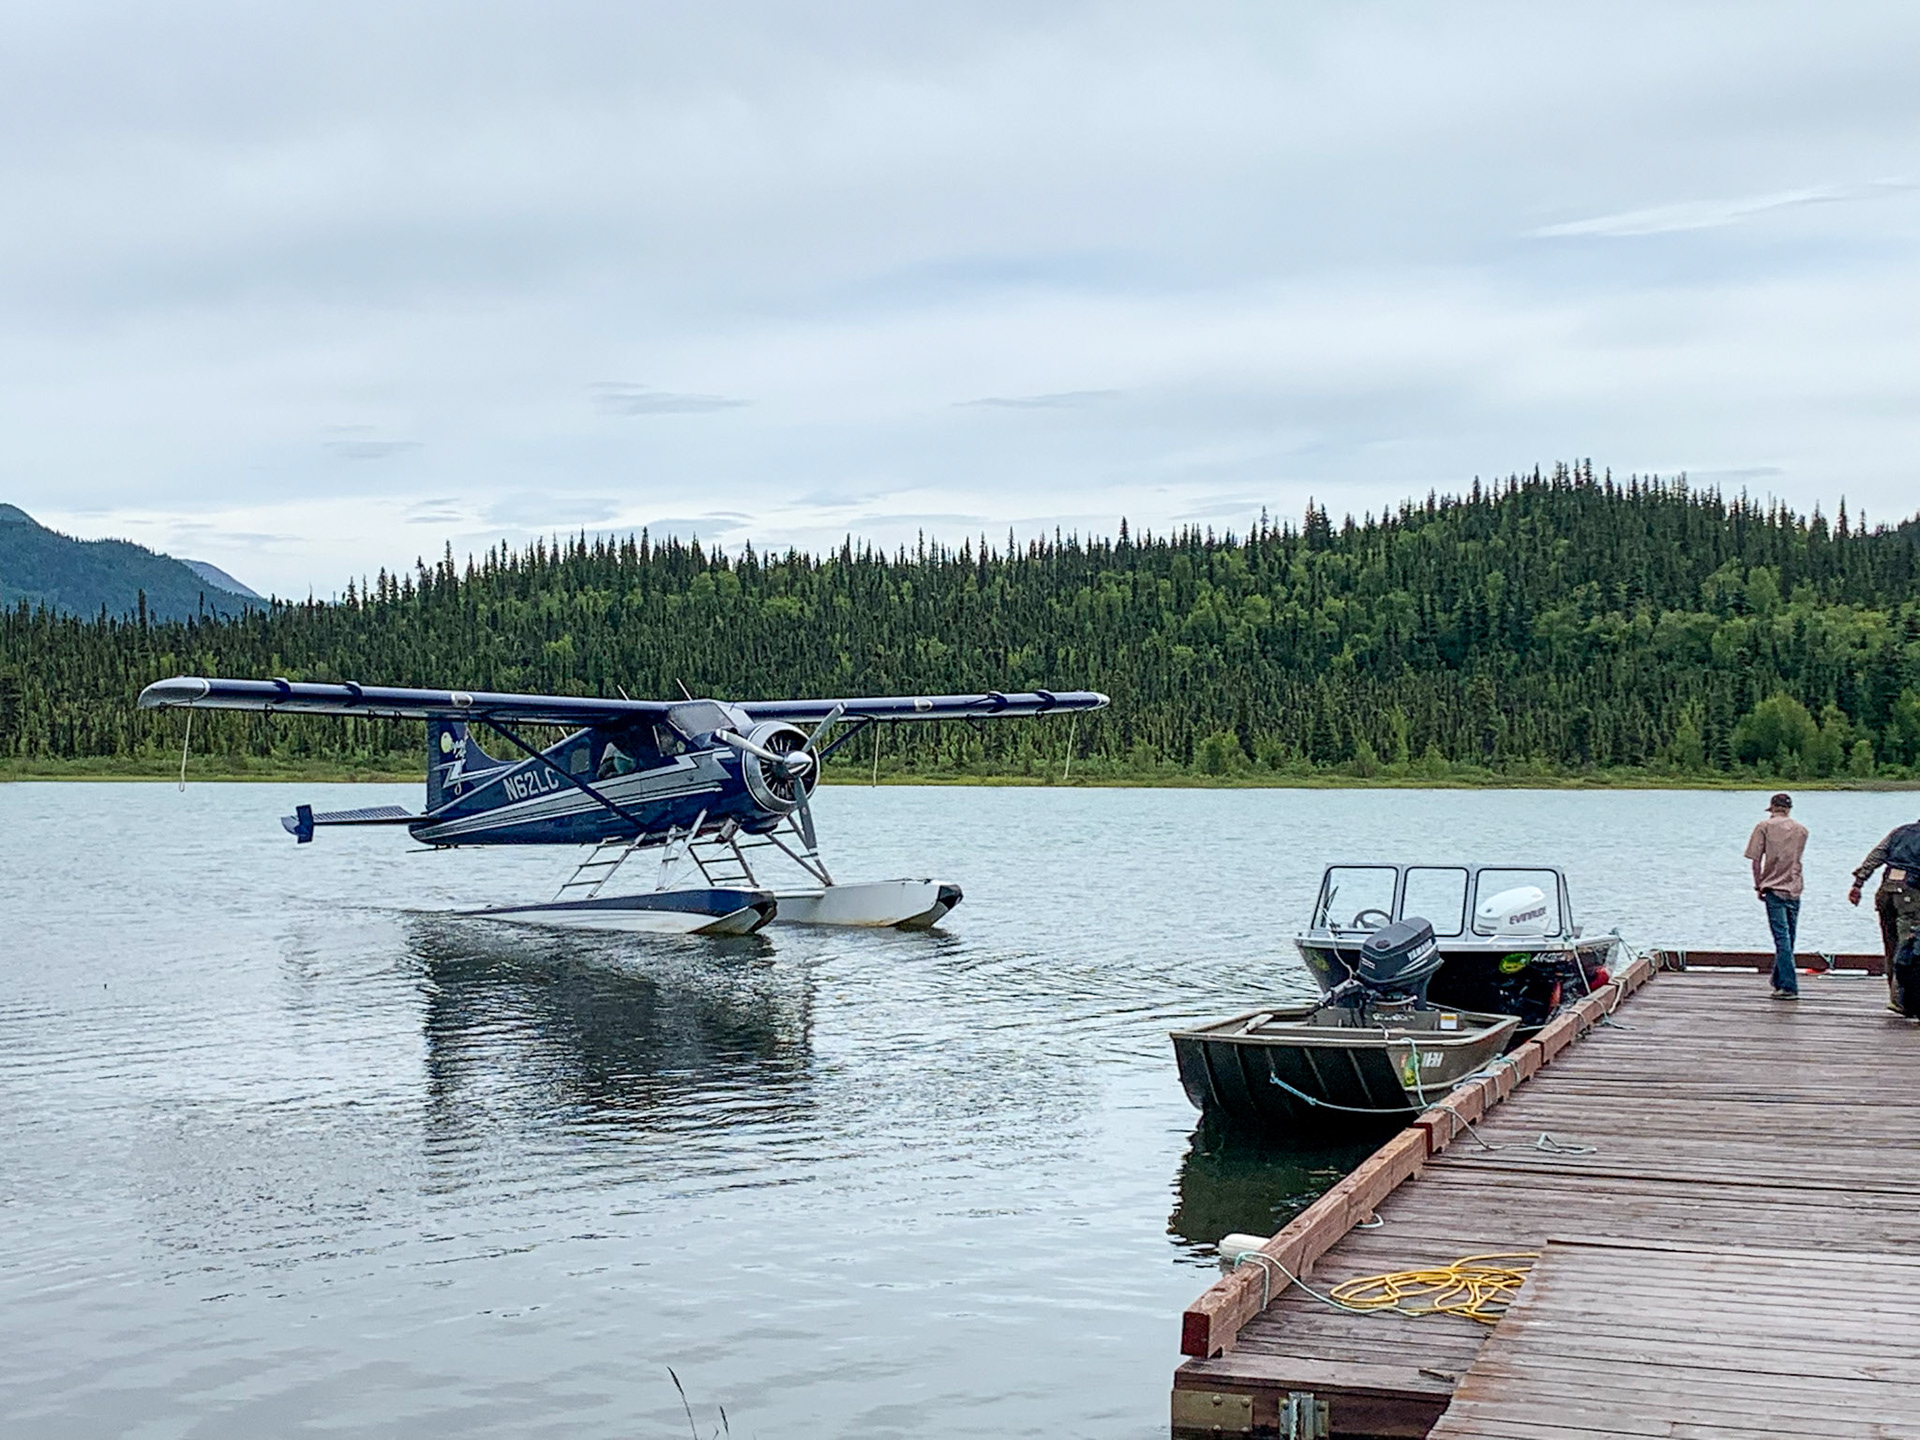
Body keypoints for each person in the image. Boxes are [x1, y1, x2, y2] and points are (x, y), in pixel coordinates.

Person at [1849, 815, 1920, 1014]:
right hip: (1910, 895)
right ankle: (1902, 1000)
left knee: (1891, 945)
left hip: (1886, 892)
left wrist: (1858, 883)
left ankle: (1895, 995)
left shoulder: (1899, 831)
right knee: (1908, 948)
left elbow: (1876, 856)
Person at [1744, 793, 1808, 1000]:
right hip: (1794, 888)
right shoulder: (1802, 830)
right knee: (1790, 936)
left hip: (1773, 888)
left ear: (1772, 808)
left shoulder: (1764, 826)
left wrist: (1758, 885)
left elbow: (1755, 860)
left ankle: (1789, 986)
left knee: (1781, 938)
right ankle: (1778, 980)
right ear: (1789, 809)